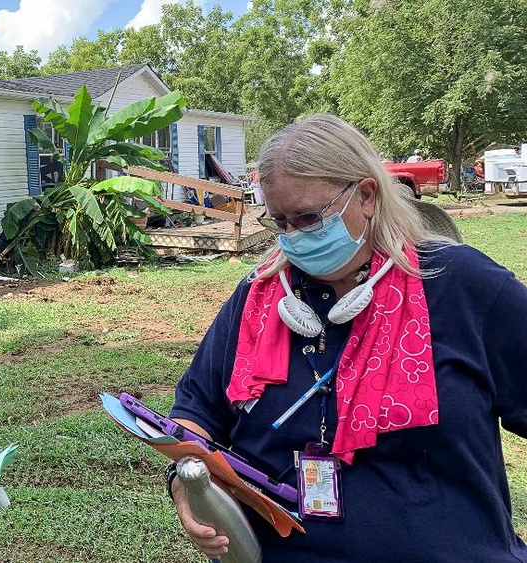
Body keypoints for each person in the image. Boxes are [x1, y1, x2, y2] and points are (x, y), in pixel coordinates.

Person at [167, 114, 527, 561]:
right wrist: (184, 477)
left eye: (309, 217)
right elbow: (195, 410)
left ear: (367, 195)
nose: (293, 238)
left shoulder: (463, 286)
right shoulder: (258, 296)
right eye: (280, 222)